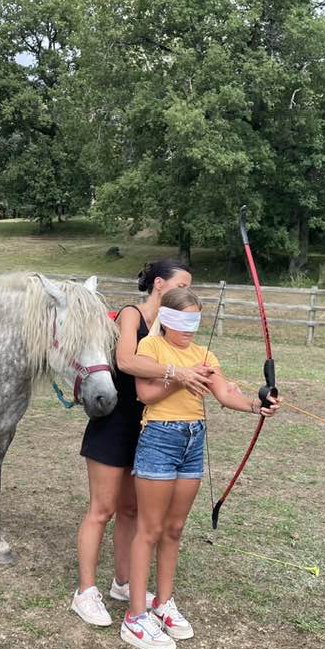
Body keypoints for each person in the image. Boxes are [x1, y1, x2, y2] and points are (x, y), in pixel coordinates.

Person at [120, 287, 281, 649]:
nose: (190, 329)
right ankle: (135, 615)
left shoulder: (204, 354)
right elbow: (144, 394)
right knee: (150, 528)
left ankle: (162, 603)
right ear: (166, 318)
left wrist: (257, 405)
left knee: (174, 529)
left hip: (193, 441)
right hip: (160, 437)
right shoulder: (153, 348)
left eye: (196, 320)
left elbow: (225, 394)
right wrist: (179, 376)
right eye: (183, 320)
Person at [70, 260, 214, 627]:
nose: (187, 292)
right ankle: (85, 592)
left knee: (132, 511)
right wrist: (177, 373)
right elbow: (126, 360)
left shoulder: (171, 332)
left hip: (151, 432)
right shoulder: (133, 315)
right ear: (160, 284)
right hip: (116, 424)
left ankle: (122, 583)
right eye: (182, 284)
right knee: (101, 509)